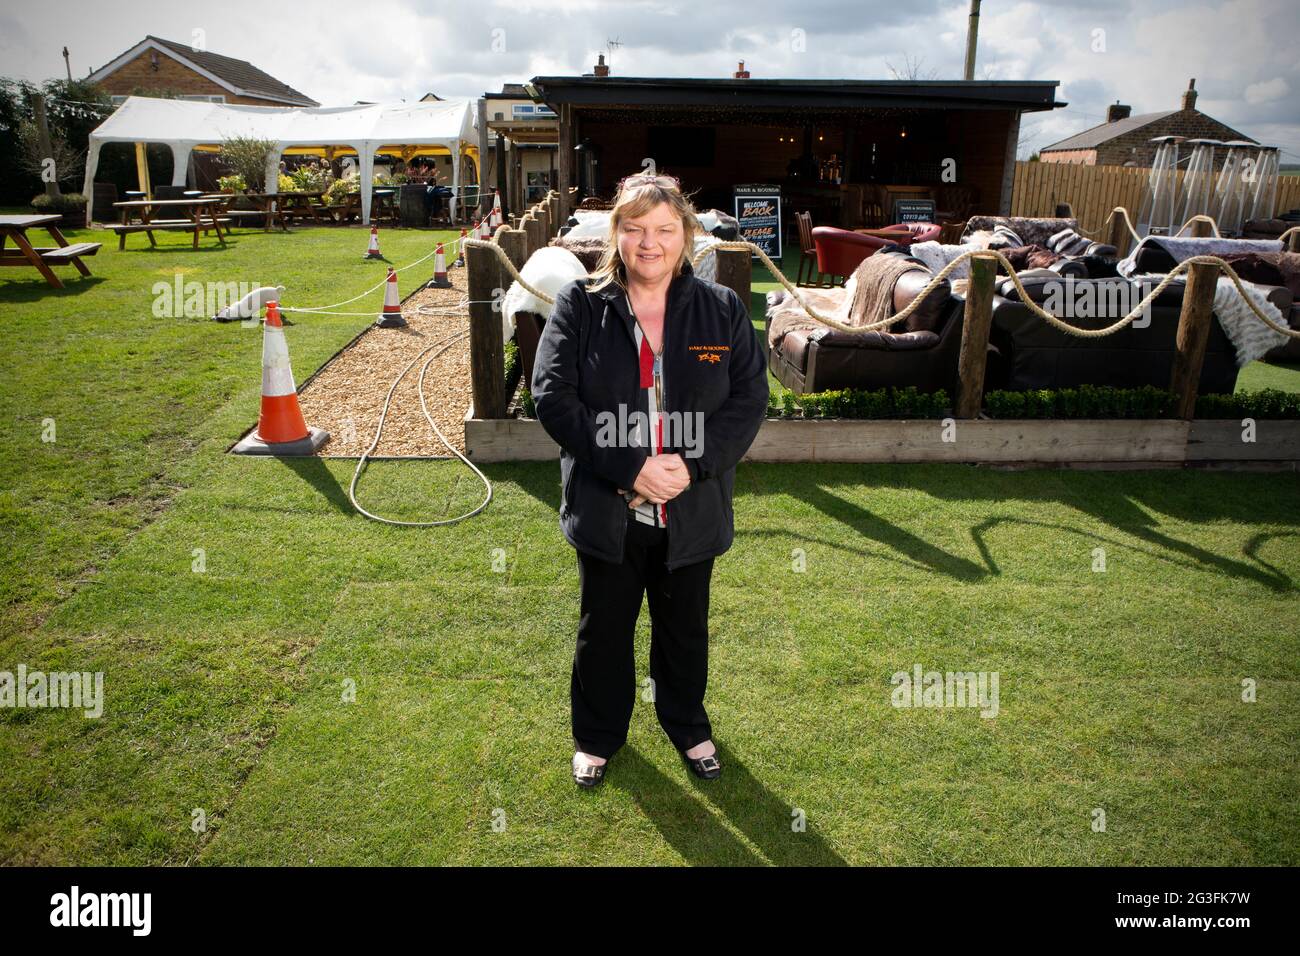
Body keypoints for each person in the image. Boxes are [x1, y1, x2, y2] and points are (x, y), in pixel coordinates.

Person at [530, 172, 769, 788]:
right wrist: (631, 467)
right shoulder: (580, 305)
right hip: (610, 506)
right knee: (604, 629)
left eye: (664, 229)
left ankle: (687, 725)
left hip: (692, 507)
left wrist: (688, 468)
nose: (649, 243)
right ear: (615, 233)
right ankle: (597, 736)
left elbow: (747, 401)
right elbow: (554, 399)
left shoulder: (721, 309)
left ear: (687, 236)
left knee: (684, 628)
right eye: (634, 229)